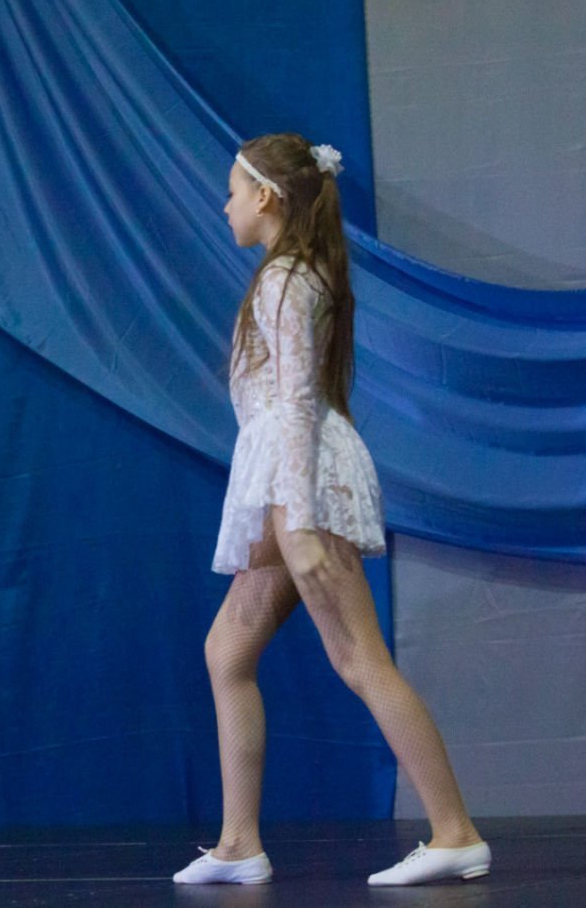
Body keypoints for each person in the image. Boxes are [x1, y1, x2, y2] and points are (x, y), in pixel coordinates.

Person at [171, 133, 489, 888]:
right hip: (290, 482)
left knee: (359, 659)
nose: (225, 206)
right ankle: (239, 842)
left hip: (302, 486)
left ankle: (455, 831)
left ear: (266, 198)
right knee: (227, 651)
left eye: (232, 192)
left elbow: (296, 404)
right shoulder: (290, 275)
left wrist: (298, 520)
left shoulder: (287, 280)